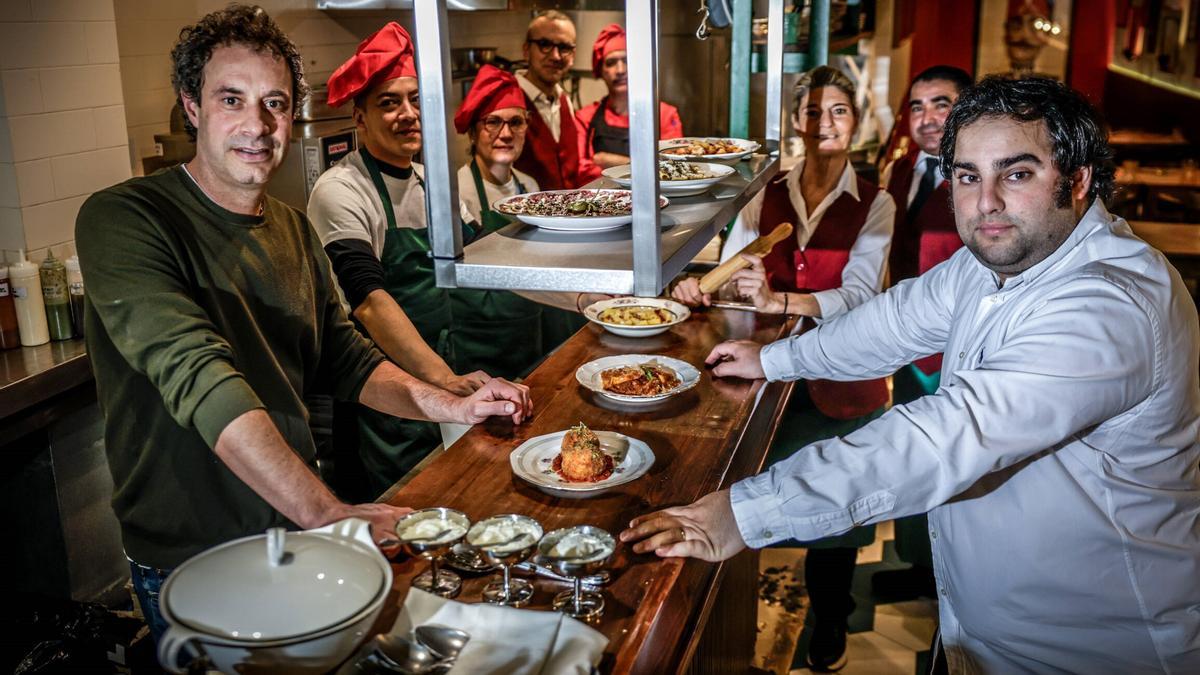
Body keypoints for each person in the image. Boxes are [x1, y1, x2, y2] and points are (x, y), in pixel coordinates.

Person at [623, 76, 1200, 673]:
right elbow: (893, 321)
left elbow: (944, 436)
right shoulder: (999, 260)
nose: (986, 203)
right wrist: (775, 360)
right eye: (970, 176)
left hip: (1094, 643)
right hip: (988, 628)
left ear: (1078, 179)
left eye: (1017, 173)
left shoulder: (1111, 303)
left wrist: (746, 513)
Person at [75, 5, 530, 643]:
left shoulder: (290, 226)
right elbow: (198, 372)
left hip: (289, 529)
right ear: (192, 107)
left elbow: (341, 354)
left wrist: (446, 400)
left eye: (275, 103)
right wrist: (328, 511)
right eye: (231, 99)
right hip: (195, 552)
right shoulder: (124, 220)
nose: (257, 126)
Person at [672, 65, 895, 672]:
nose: (824, 123)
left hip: (844, 382)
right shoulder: (763, 193)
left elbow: (860, 297)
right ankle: (741, 614)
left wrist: (780, 302)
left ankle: (829, 619)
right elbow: (733, 273)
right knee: (753, 497)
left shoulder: (876, 203)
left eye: (839, 111)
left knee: (839, 511)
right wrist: (703, 286)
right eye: (813, 111)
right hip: (767, 375)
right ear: (796, 123)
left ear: (857, 122)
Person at [874, 64, 974, 601]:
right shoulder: (901, 171)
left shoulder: (981, 179)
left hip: (961, 352)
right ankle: (922, 568)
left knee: (961, 468)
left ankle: (958, 582)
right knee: (917, 458)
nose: (928, 117)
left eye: (942, 103)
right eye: (917, 106)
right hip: (910, 348)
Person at [452, 64, 599, 379]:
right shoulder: (457, 192)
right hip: (480, 343)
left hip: (529, 330)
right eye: (493, 122)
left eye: (516, 122)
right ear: (474, 130)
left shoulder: (529, 187)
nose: (505, 134)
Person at [512, 10, 602, 190]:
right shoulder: (509, 101)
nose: (555, 56)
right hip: (526, 216)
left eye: (564, 47)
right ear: (526, 51)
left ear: (573, 55)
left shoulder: (564, 102)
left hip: (569, 214)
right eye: (544, 44)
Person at [575, 23, 684, 169]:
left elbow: (673, 167)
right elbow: (581, 171)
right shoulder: (585, 118)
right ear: (600, 71)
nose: (620, 70)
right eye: (611, 63)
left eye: (627, 60)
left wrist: (607, 160)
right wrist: (645, 166)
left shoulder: (664, 115)